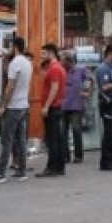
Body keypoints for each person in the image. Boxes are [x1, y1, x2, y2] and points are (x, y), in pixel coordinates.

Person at [0, 37, 30, 183]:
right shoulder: (27, 63)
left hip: (13, 106)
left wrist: (3, 106)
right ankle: (21, 170)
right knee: (21, 140)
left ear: (15, 47)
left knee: (7, 140)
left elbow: (10, 86)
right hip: (24, 105)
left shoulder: (15, 63)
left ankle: (0, 172)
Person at [38, 44, 68, 177]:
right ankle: (59, 166)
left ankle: (52, 167)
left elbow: (54, 88)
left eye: (44, 53)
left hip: (53, 107)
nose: (42, 56)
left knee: (52, 139)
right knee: (57, 137)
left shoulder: (54, 68)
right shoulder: (57, 68)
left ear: (51, 53)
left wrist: (46, 106)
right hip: (56, 106)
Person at [60, 52, 90, 164]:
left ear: (69, 61)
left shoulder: (81, 70)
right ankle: (65, 156)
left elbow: (91, 79)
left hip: (76, 105)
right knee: (63, 131)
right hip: (63, 105)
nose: (61, 62)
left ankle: (78, 156)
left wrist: (87, 92)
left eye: (63, 60)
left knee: (76, 130)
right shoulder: (62, 71)